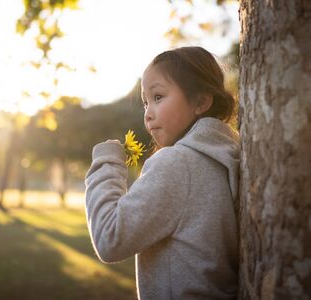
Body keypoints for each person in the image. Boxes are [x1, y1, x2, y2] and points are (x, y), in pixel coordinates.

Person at [84, 46, 240, 299]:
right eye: (145, 102)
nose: (147, 114)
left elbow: (109, 237)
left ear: (201, 101)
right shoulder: (226, 156)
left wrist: (106, 162)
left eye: (158, 97)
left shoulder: (177, 162)